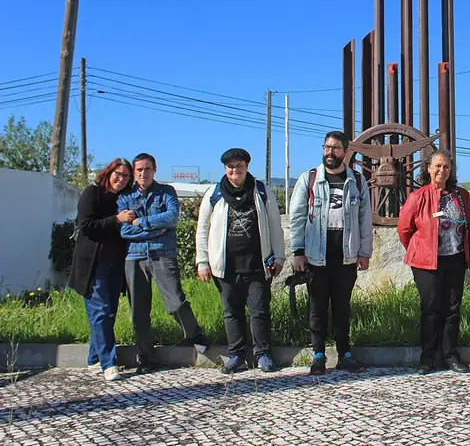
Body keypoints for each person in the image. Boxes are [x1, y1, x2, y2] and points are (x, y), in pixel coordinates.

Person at [288, 131, 373, 375]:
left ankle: (345, 353)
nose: (329, 152)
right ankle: (318, 355)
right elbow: (297, 218)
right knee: (317, 307)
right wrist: (298, 251)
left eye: (335, 148)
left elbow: (364, 219)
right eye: (326, 147)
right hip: (316, 254)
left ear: (346, 151)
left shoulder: (357, 181)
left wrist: (364, 252)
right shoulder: (310, 179)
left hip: (345, 254)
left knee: (342, 308)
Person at [195, 148, 285, 374]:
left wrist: (280, 257)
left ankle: (263, 354)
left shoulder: (261, 191)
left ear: (247, 166)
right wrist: (202, 262)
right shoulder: (213, 193)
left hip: (258, 264)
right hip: (225, 266)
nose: (235, 170)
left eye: (240, 165)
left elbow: (275, 226)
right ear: (225, 168)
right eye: (231, 166)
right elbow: (202, 230)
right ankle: (236, 356)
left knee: (260, 310)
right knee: (231, 311)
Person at [118, 153, 208, 374]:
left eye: (147, 169)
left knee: (176, 302)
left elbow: (172, 218)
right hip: (134, 257)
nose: (143, 173)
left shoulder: (166, 192)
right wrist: (155, 229)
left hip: (163, 254)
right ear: (134, 172)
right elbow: (123, 230)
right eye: (139, 170)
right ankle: (147, 358)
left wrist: (141, 222)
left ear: (154, 170)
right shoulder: (124, 196)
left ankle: (194, 333)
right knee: (139, 309)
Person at [397, 150, 470, 375]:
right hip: (426, 263)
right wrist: (418, 249)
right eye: (437, 166)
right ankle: (427, 359)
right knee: (431, 310)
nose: (441, 170)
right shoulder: (418, 197)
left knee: (452, 310)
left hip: (455, 259)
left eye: (446, 166)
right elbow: (404, 229)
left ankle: (450, 356)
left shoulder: (462, 196)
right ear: (428, 168)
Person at [70, 158, 135, 381]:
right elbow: (86, 226)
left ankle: (94, 359)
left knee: (109, 312)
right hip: (93, 264)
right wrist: (116, 219)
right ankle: (109, 363)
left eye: (126, 176)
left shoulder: (122, 199)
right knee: (100, 310)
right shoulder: (92, 193)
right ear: (108, 173)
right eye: (118, 173)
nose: (121, 178)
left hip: (115, 263)